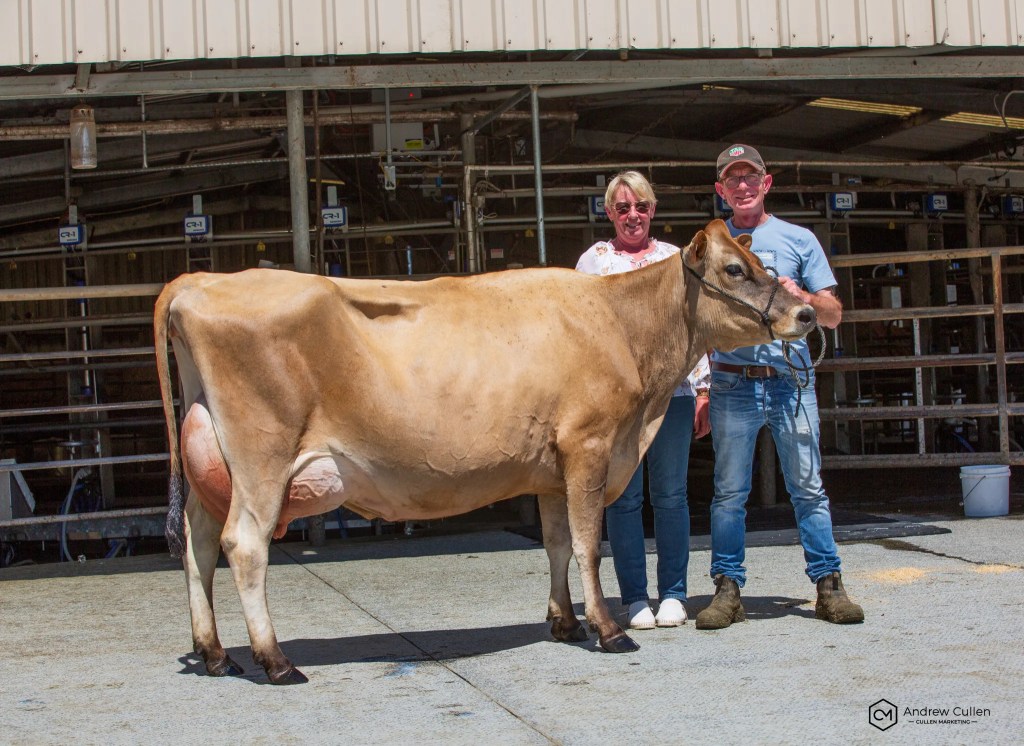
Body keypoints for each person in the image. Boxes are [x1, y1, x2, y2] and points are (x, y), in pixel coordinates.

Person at [695, 145, 864, 630]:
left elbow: (833, 315)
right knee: (729, 492)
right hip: (732, 381)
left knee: (808, 487)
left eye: (751, 177)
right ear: (721, 190)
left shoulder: (799, 238)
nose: (742, 186)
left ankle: (829, 585)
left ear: (766, 184)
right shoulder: (713, 245)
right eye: (733, 179)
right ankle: (727, 589)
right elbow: (699, 317)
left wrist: (802, 295)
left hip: (790, 380)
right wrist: (703, 388)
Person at [576, 170, 711, 630]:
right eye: (622, 208)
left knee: (671, 495)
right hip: (618, 402)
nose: (632, 215)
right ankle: (634, 598)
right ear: (609, 212)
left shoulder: (676, 259)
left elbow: (695, 325)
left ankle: (674, 593)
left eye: (641, 206)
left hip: (673, 394)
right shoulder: (594, 261)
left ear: (653, 209)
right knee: (623, 498)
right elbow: (581, 332)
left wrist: (703, 388)